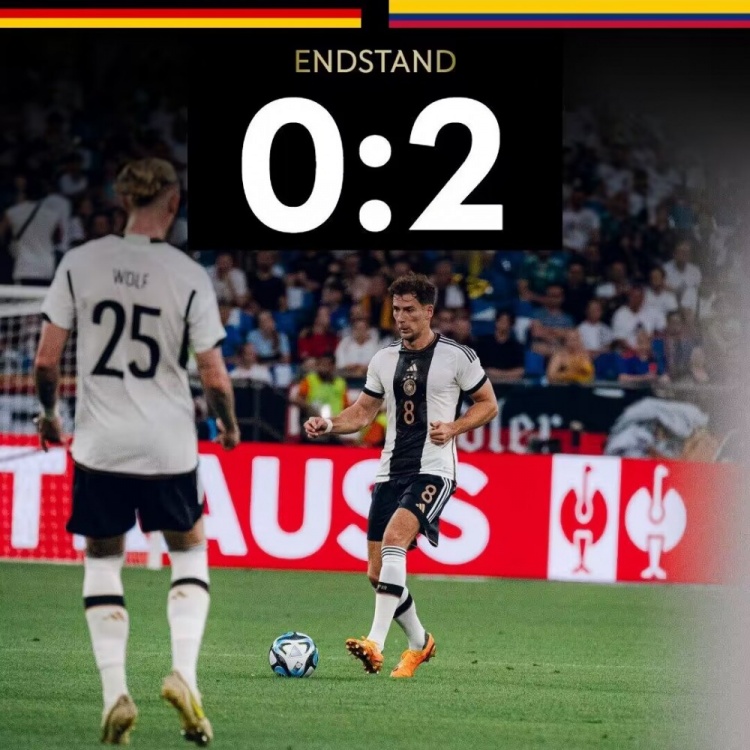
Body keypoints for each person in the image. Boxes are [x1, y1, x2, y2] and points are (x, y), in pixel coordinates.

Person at [32, 157, 240, 746]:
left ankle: (114, 694)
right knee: (190, 552)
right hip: (168, 445)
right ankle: (184, 675)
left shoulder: (80, 262)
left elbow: (46, 360)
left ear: (123, 200)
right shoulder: (188, 274)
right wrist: (227, 427)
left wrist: (49, 414)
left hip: (100, 444)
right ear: (173, 203)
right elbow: (214, 375)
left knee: (103, 561)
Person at [304, 273, 498, 678]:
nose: (401, 317)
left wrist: (454, 428)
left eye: (409, 310)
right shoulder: (383, 359)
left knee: (396, 539)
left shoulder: (457, 356)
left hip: (434, 469)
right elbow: (362, 413)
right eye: (396, 310)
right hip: (390, 470)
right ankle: (419, 642)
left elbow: (487, 404)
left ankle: (374, 642)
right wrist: (330, 424)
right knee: (377, 573)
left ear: (428, 312)